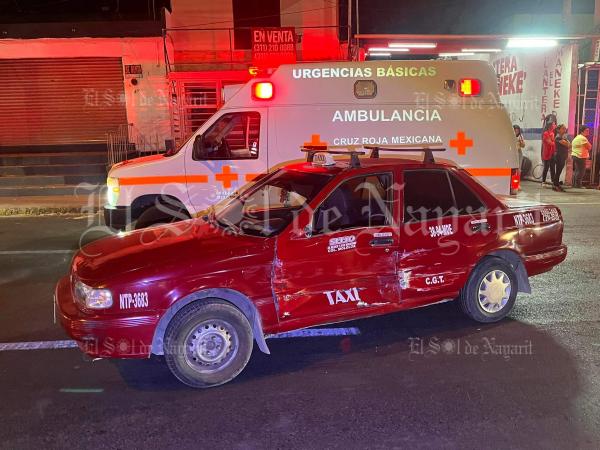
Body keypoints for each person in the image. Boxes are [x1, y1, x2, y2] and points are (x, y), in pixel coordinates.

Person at [552, 124, 570, 192]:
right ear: (558, 130)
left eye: (565, 128)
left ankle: (556, 184)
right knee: (558, 171)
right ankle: (555, 185)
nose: (564, 130)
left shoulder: (563, 137)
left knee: (559, 171)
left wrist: (567, 143)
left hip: (563, 156)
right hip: (559, 156)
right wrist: (567, 143)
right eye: (563, 128)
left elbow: (569, 145)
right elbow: (568, 145)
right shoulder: (558, 137)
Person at [541, 122, 556, 187]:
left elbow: (553, 143)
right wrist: (555, 142)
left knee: (552, 168)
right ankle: (543, 181)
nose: (555, 125)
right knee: (546, 168)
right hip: (547, 153)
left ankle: (553, 181)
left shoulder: (553, 133)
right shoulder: (546, 133)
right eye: (553, 124)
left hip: (552, 153)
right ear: (550, 126)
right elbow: (550, 143)